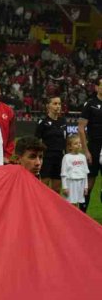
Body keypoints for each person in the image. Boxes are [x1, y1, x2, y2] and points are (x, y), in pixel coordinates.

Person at [77, 75, 102, 212]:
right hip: (94, 147)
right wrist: (86, 151)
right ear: (97, 87)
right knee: (90, 181)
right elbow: (81, 128)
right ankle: (82, 213)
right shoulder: (90, 104)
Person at [34, 96, 68, 195]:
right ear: (48, 106)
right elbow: (36, 141)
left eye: (59, 104)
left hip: (60, 158)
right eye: (55, 104)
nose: (58, 106)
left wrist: (68, 156)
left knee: (56, 189)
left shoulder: (63, 121)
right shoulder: (43, 122)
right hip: (47, 157)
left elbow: (66, 139)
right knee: (43, 187)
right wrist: (38, 158)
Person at [61, 135, 90, 207]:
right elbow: (63, 174)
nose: (78, 145)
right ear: (70, 146)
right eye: (76, 143)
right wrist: (65, 187)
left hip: (81, 183)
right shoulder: (66, 157)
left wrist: (86, 187)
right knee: (70, 203)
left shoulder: (83, 157)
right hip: (71, 183)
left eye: (79, 143)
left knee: (77, 203)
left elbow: (85, 173)